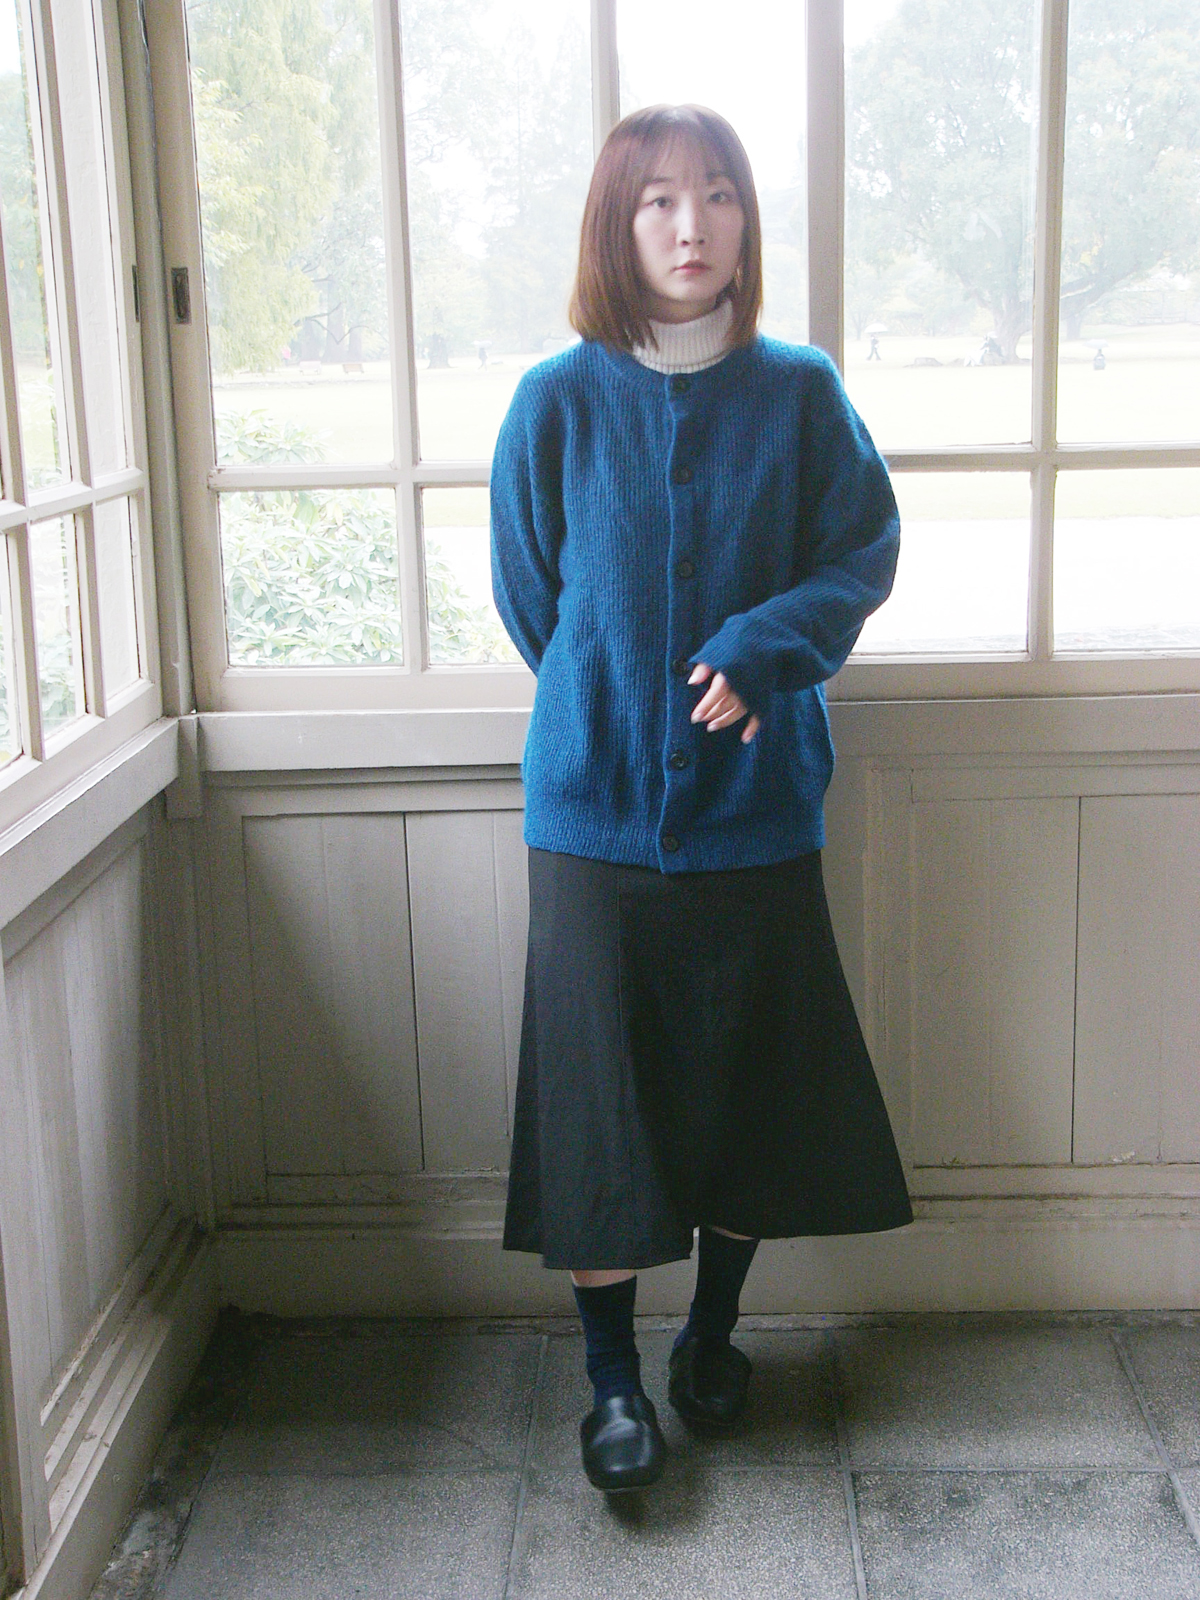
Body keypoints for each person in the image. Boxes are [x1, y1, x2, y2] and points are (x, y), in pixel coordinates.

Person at [490, 105, 912, 1495]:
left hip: (754, 814)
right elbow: (536, 601)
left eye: (718, 194)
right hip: (592, 816)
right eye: (659, 199)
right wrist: (618, 699)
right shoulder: (555, 401)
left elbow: (861, 551)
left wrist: (762, 647)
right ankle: (612, 1381)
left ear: (745, 220)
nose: (691, 225)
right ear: (616, 226)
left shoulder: (799, 393)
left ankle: (712, 1336)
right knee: (599, 1109)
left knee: (750, 1096)